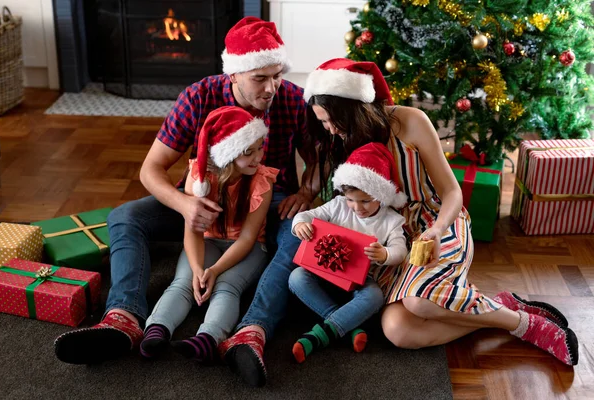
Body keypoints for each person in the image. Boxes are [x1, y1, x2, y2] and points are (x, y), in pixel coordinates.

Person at [54, 17, 317, 365]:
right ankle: (124, 317)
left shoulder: (292, 100)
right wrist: (185, 204)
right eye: (260, 78)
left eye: (277, 76)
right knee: (124, 217)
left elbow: (319, 158)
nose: (271, 88)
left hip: (268, 200)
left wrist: (308, 193)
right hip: (200, 200)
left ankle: (252, 329)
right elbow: (150, 170)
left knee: (303, 237)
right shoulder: (198, 97)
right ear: (234, 74)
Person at [301, 57, 579, 367]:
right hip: (395, 238)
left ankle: (523, 325)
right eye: (323, 123)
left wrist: (435, 230)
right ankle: (495, 310)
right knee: (398, 330)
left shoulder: (411, 122)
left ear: (351, 108)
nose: (329, 130)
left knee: (419, 302)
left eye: (330, 121)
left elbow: (452, 192)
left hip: (438, 222)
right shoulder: (346, 141)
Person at [139, 106, 278, 363]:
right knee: (183, 282)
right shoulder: (200, 178)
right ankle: (157, 329)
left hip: (247, 247)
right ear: (228, 153)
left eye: (260, 147)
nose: (258, 157)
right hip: (208, 240)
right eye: (249, 152)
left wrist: (213, 271)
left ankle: (208, 339)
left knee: (226, 287)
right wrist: (197, 268)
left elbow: (248, 238)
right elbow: (192, 231)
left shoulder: (262, 182)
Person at [289, 142, 408, 363]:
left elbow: (400, 251)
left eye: (365, 201)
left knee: (375, 296)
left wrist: (385, 255)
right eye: (352, 200)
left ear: (381, 196)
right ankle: (347, 325)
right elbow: (304, 216)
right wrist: (299, 226)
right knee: (296, 277)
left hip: (361, 281)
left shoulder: (391, 220)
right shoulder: (338, 205)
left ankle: (321, 334)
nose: (357, 207)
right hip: (325, 275)